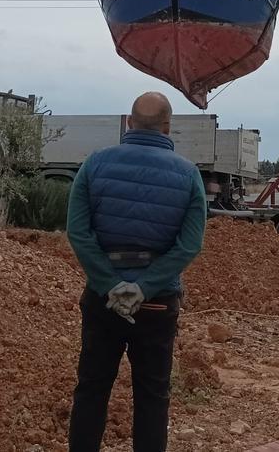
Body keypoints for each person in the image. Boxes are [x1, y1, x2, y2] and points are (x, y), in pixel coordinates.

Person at [66, 91, 207, 452]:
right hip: (157, 305)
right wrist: (143, 288)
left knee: (92, 389)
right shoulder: (189, 176)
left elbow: (79, 233)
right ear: (167, 126)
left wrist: (109, 284)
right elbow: (188, 245)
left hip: (102, 302)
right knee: (153, 395)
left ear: (129, 123)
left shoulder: (95, 164)